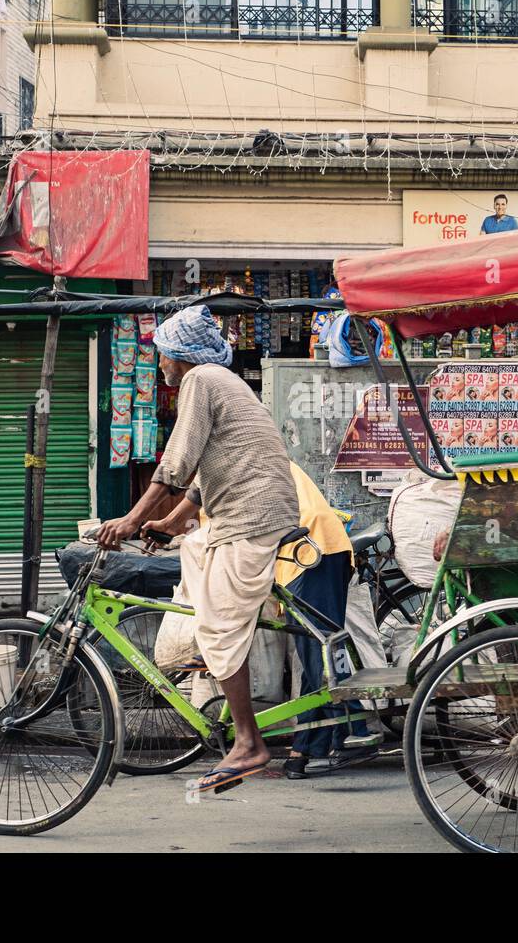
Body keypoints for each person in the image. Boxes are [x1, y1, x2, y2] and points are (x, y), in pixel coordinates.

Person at [97, 306, 299, 795]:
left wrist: (130, 519)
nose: (160, 365)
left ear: (178, 354)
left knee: (221, 624)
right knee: (194, 547)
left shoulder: (200, 381)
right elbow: (208, 474)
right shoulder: (219, 381)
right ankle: (206, 654)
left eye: (163, 355)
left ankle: (249, 740)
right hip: (240, 511)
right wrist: (166, 523)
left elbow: (177, 461)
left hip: (254, 518)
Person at [154, 462, 376, 779]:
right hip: (294, 553)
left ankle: (355, 727)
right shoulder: (234, 464)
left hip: (311, 548)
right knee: (311, 652)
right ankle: (306, 747)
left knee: (320, 650)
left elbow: (189, 522)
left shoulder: (224, 468)